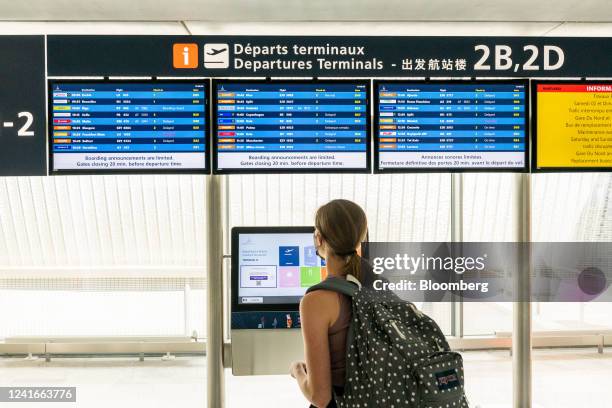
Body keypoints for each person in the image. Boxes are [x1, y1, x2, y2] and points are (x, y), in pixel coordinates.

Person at [289, 199, 368, 408]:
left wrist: (298, 370)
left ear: (319, 239)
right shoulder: (380, 289)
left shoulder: (316, 301)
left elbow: (320, 397)